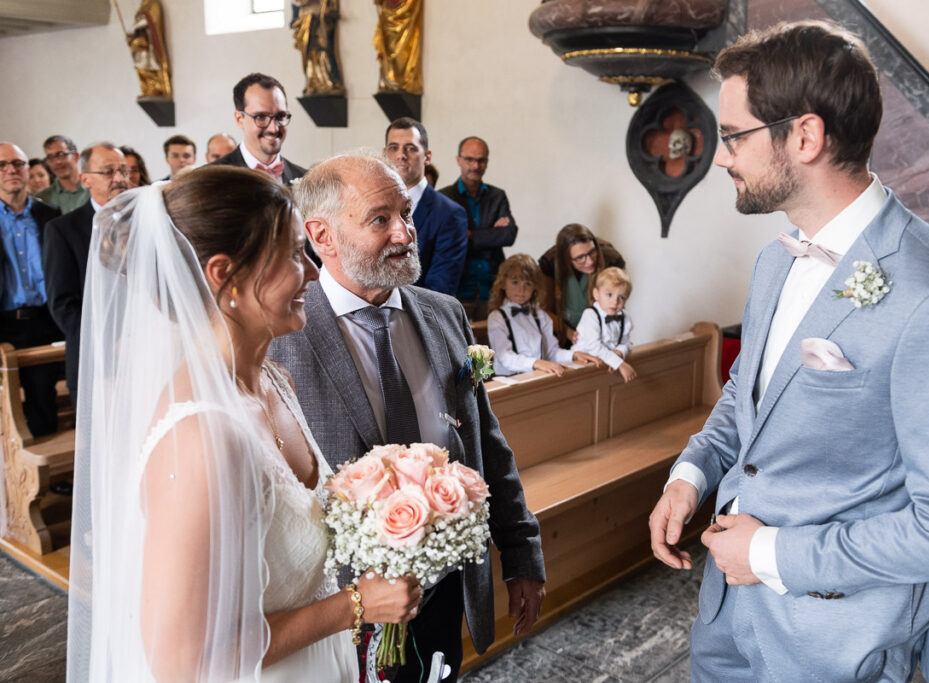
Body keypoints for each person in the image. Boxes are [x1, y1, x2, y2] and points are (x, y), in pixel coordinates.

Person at [647, 21, 929, 682]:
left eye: (735, 136)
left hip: (835, 647)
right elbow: (748, 397)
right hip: (727, 621)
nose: (722, 156)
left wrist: (773, 554)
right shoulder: (772, 262)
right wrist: (691, 474)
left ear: (806, 136)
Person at [66, 166, 421, 682]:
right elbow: (182, 660)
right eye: (294, 254)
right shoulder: (201, 436)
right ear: (223, 274)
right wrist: (355, 606)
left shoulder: (276, 382)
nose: (315, 272)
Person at [268, 153, 545, 683]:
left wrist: (521, 553)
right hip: (339, 612)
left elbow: (487, 443)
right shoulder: (285, 339)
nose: (405, 232)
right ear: (321, 236)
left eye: (407, 214)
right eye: (380, 219)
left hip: (445, 588)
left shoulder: (443, 313)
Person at [43, 143, 129, 403]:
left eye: (123, 170)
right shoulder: (62, 230)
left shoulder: (145, 220)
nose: (119, 179)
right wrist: (108, 342)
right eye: (108, 171)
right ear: (85, 179)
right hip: (95, 360)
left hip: (146, 353)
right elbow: (63, 304)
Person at [0, 142, 62, 436]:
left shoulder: (50, 214)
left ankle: (46, 477)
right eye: (2, 165)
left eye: (18, 163)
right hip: (4, 322)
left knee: (42, 400)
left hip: (43, 321)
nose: (11, 170)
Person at [384, 117, 468, 297]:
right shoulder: (374, 207)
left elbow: (440, 290)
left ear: (427, 157)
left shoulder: (450, 214)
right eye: (394, 148)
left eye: (411, 148)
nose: (401, 155)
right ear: (384, 154)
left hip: (419, 318)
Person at [439, 136, 518, 320]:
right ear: (458, 160)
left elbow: (509, 235)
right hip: (457, 289)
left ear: (487, 162)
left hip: (492, 288)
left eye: (481, 160)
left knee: (491, 345)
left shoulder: (497, 196)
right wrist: (491, 233)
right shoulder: (443, 198)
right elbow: (449, 241)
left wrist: (470, 235)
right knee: (460, 347)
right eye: (469, 159)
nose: (475, 166)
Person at [487, 253, 598, 377]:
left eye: (527, 284)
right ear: (503, 284)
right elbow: (505, 357)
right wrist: (537, 363)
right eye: (515, 282)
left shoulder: (540, 315)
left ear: (535, 287)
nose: (521, 290)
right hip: (510, 381)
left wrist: (573, 354)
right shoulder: (497, 317)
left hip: (537, 377)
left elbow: (552, 352)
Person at [211, 73, 307, 185]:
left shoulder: (306, 180)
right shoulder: (208, 179)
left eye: (280, 116)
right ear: (239, 119)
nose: (274, 129)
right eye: (261, 117)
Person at [538, 223, 625, 346]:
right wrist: (568, 333)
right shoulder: (549, 263)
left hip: (601, 334)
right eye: (580, 258)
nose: (589, 261)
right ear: (566, 259)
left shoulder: (612, 260)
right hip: (562, 335)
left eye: (592, 252)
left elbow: (617, 305)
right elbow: (544, 311)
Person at [571, 266, 636, 382]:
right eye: (609, 295)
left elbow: (627, 343)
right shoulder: (590, 315)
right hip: (582, 365)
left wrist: (619, 353)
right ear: (596, 294)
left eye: (621, 297)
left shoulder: (625, 317)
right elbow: (595, 347)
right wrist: (619, 363)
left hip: (605, 365)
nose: (615, 302)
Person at [37, 135, 89, 214]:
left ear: (76, 156)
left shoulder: (95, 188)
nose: (57, 162)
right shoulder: (42, 199)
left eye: (61, 155)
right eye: (50, 157)